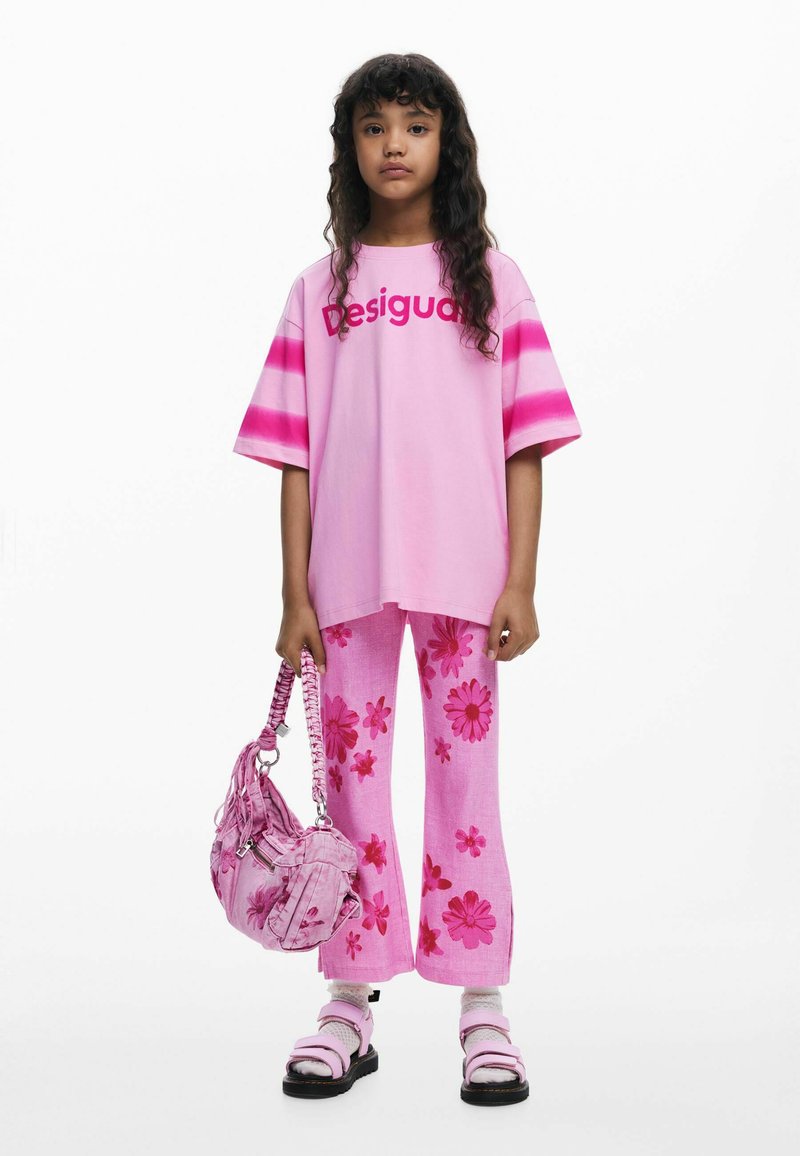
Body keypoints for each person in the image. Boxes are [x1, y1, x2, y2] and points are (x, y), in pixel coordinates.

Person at [232, 53, 582, 1105]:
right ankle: (349, 998)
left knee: (465, 789)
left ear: (447, 145)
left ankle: (483, 1006)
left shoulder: (492, 282)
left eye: (416, 126)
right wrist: (293, 594)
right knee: (353, 792)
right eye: (375, 126)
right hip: (345, 583)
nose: (394, 144)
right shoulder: (317, 291)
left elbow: (525, 441)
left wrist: (520, 581)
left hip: (468, 581)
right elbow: (294, 456)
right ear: (348, 146)